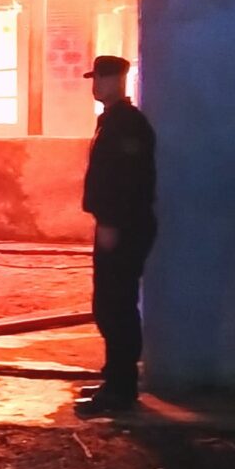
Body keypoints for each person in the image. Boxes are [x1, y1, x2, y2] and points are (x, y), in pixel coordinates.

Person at [76, 55, 157, 413]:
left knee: (116, 305)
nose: (97, 85)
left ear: (118, 81)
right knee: (109, 303)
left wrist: (110, 222)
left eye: (103, 79)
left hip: (122, 226)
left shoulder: (127, 124)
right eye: (95, 78)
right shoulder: (113, 121)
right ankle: (114, 379)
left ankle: (121, 390)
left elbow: (126, 179)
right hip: (118, 224)